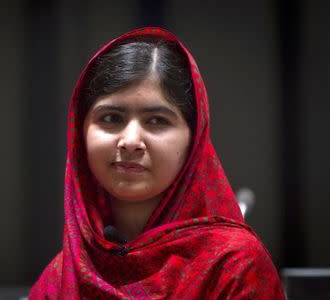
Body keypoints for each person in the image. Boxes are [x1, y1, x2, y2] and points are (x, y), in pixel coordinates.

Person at [28, 27, 285, 299]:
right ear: (81, 134)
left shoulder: (233, 267)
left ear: (194, 139)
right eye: (111, 118)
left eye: (157, 121)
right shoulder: (62, 277)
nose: (130, 140)